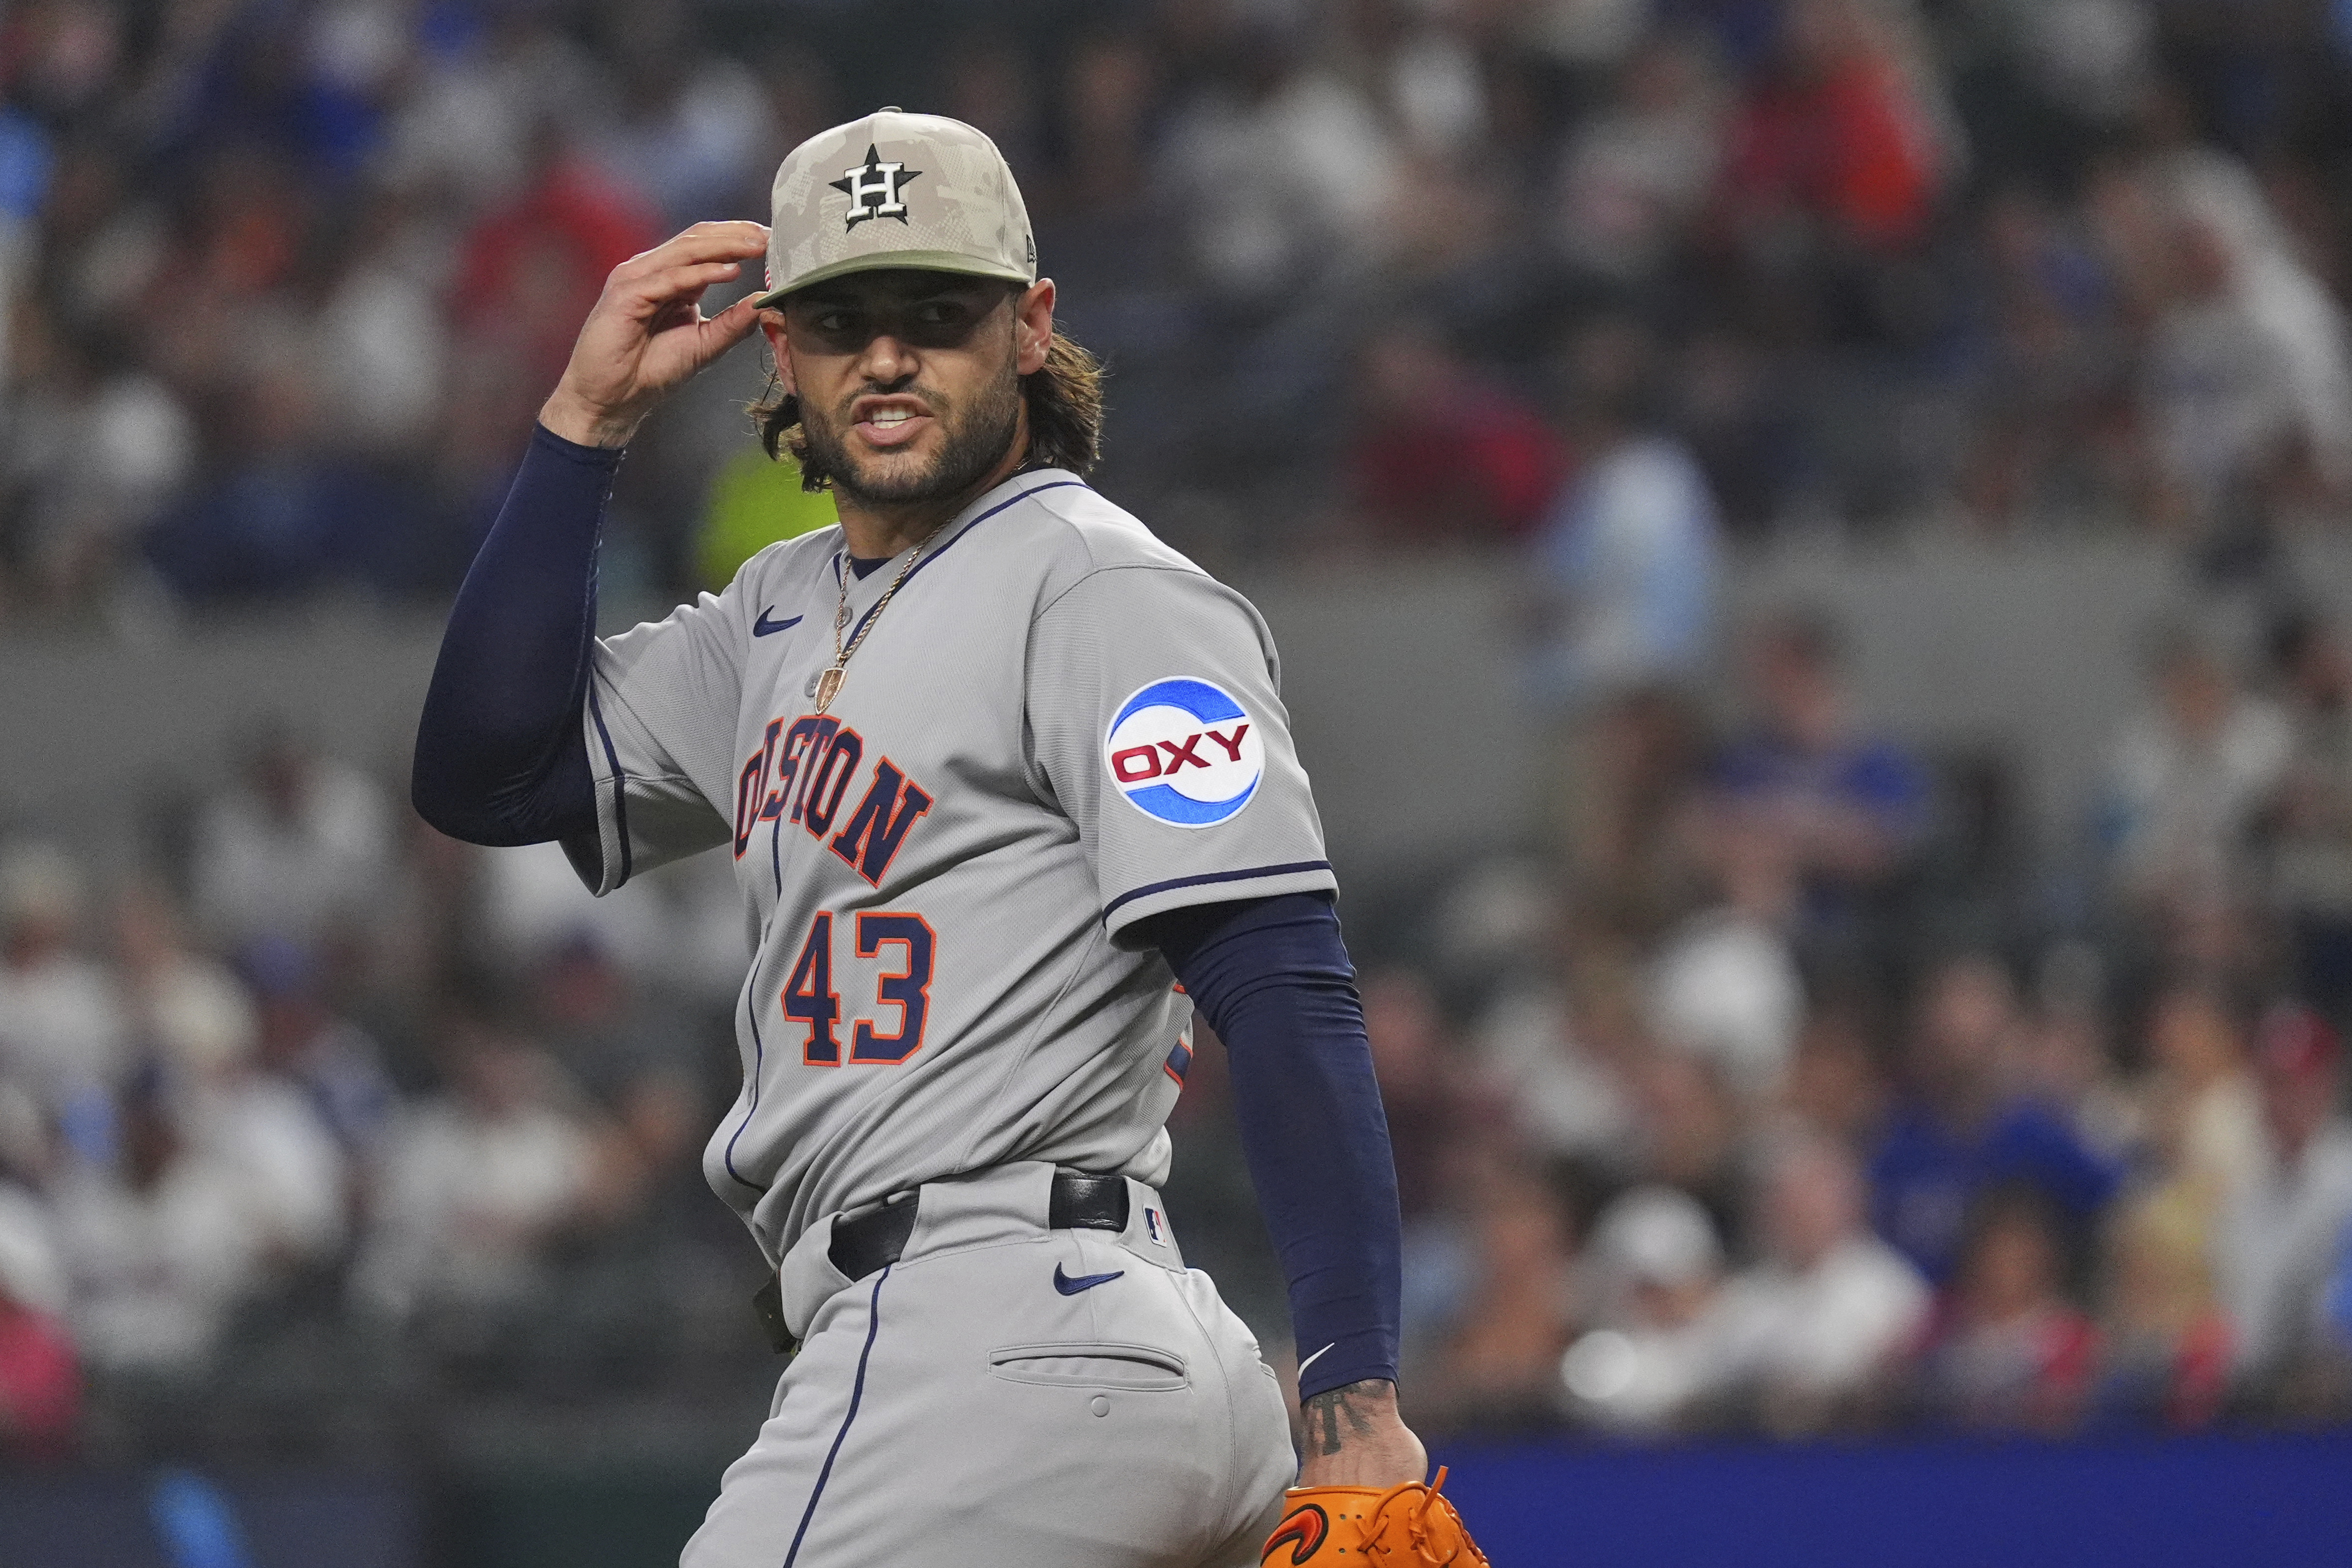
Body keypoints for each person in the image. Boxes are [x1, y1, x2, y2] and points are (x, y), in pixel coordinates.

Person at [410, 111, 1426, 1568]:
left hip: (989, 1332)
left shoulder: (1095, 584)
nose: (885, 357)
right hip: (1065, 1359)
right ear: (778, 351)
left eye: (935, 315)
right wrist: (583, 432)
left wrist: (1357, 1401)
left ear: (1029, 328)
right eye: (841, 321)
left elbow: (1277, 973)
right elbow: (489, 777)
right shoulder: (773, 612)